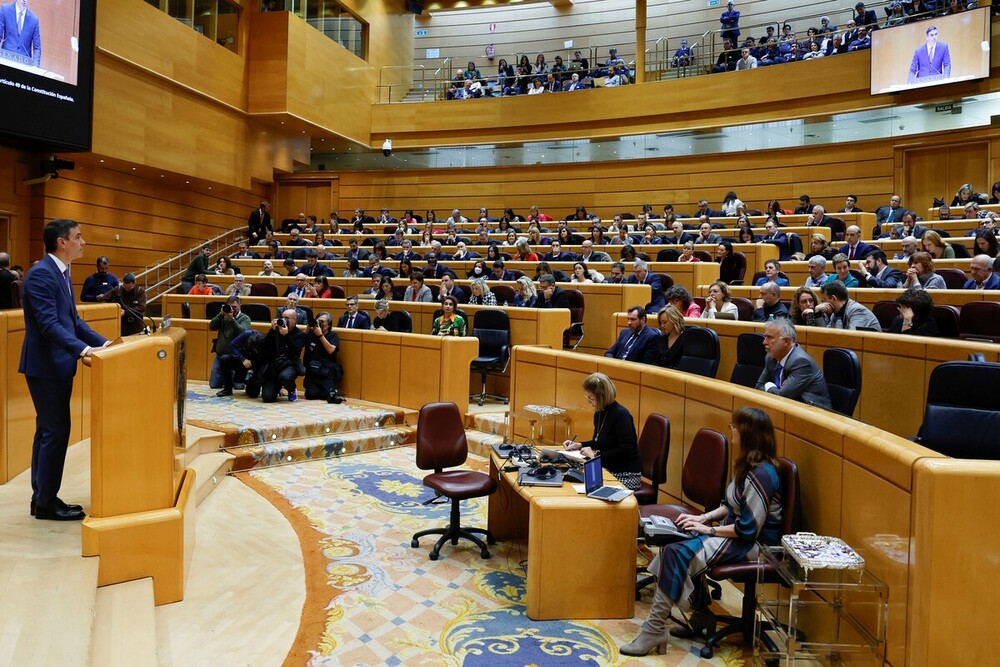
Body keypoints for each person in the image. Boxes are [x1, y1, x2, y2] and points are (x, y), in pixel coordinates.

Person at [620, 406, 783, 656]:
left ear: (748, 433)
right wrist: (702, 519)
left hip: (757, 547)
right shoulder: (748, 465)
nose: (731, 431)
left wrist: (708, 530)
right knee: (678, 540)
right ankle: (702, 615)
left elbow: (748, 529)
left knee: (677, 551)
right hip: (737, 536)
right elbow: (729, 505)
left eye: (734, 427)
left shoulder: (761, 475)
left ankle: (654, 630)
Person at [20, 219, 109, 520]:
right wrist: (84, 350)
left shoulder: (61, 274)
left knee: (49, 431)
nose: (83, 242)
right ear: (61, 242)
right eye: (78, 237)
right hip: (46, 366)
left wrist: (105, 344)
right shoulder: (42, 275)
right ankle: (46, 503)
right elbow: (48, 326)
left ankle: (41, 497)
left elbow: (73, 322)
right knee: (55, 432)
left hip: (55, 366)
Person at [562, 373, 642, 491]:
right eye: (587, 397)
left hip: (625, 474)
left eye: (591, 398)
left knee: (585, 489)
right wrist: (579, 445)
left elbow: (626, 449)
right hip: (607, 468)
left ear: (603, 397)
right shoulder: (599, 413)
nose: (589, 402)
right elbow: (599, 442)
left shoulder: (621, 415)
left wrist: (595, 456)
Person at [755, 318, 832, 408]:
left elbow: (781, 397)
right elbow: (758, 387)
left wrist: (768, 385)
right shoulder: (771, 357)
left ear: (786, 342)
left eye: (769, 337)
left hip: (815, 414)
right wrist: (774, 389)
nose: (764, 342)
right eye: (765, 337)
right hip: (790, 409)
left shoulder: (801, 362)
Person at [254, 309, 306, 403]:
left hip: (290, 364)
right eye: (282, 318)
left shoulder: (300, 334)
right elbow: (263, 347)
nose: (283, 320)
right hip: (274, 366)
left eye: (287, 318)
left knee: (284, 377)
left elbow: (296, 351)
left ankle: (291, 389)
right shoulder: (276, 331)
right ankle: (277, 388)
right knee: (267, 398)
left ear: (294, 319)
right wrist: (272, 331)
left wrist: (286, 335)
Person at [210, 295, 252, 394]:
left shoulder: (245, 318)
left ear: (240, 306)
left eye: (234, 307)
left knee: (238, 387)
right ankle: (226, 379)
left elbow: (242, 333)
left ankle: (232, 379)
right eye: (230, 307)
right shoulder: (223, 316)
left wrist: (232, 320)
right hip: (220, 355)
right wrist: (220, 314)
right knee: (214, 385)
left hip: (235, 357)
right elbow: (212, 326)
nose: (232, 309)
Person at [303, 312, 343, 403]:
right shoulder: (311, 335)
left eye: (322, 321)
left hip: (326, 373)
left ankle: (329, 390)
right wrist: (307, 329)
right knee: (311, 394)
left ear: (328, 324)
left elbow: (330, 350)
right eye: (317, 321)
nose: (319, 323)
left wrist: (320, 335)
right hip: (313, 373)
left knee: (330, 395)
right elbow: (298, 344)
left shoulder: (333, 336)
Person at [815, 280, 882, 331]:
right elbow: (826, 336)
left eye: (824, 300)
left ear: (833, 298)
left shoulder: (857, 312)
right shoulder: (835, 314)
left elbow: (851, 339)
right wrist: (817, 313)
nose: (823, 303)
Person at [0, 0, 41, 67]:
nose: (24, 0)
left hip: (24, 65)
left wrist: (35, 68)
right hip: (5, 60)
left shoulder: (34, 20)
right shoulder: (5, 9)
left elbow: (37, 48)